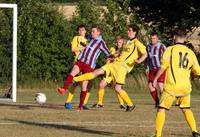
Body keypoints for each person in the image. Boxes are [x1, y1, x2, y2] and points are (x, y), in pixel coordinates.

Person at [73, 24, 147, 112]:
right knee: (96, 72)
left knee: (117, 88)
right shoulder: (127, 42)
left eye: (130, 30)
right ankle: (74, 78)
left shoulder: (137, 43)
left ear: (135, 32)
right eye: (128, 30)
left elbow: (145, 54)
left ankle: (130, 105)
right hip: (114, 64)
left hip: (121, 68)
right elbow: (119, 52)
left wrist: (139, 61)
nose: (128, 31)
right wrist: (112, 56)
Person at [152, 28, 200, 137]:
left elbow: (163, 67)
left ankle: (158, 134)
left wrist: (155, 79)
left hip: (172, 86)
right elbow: (197, 71)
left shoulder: (170, 49)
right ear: (185, 38)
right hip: (185, 87)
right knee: (186, 109)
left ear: (174, 37)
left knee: (161, 109)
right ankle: (195, 131)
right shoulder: (190, 52)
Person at [57, 24, 112, 111]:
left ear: (98, 32)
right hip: (80, 61)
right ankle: (64, 89)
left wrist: (113, 58)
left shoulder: (101, 43)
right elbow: (84, 45)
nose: (91, 33)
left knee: (84, 86)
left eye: (93, 31)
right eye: (91, 31)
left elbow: (108, 54)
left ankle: (81, 106)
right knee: (72, 73)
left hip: (89, 65)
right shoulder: (90, 39)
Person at [92, 36, 126, 109]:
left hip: (117, 72)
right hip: (110, 71)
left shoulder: (124, 51)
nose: (118, 44)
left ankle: (122, 104)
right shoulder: (113, 49)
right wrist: (107, 68)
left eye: (120, 42)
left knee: (117, 87)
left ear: (123, 43)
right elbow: (108, 58)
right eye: (117, 42)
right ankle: (100, 103)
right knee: (101, 84)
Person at [65, 25, 91, 110]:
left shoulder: (88, 40)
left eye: (82, 30)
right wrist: (83, 48)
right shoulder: (76, 38)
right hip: (79, 62)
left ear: (85, 31)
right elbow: (73, 49)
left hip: (87, 63)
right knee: (75, 83)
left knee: (87, 84)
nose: (81, 31)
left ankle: (83, 103)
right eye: (79, 30)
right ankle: (68, 102)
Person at [146, 32, 166, 107]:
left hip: (160, 68)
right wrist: (147, 67)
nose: (152, 40)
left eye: (154, 38)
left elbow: (167, 56)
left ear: (157, 39)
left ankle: (163, 103)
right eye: (151, 38)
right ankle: (157, 102)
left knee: (161, 86)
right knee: (151, 87)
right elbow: (148, 57)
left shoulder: (162, 46)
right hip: (152, 69)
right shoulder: (148, 46)